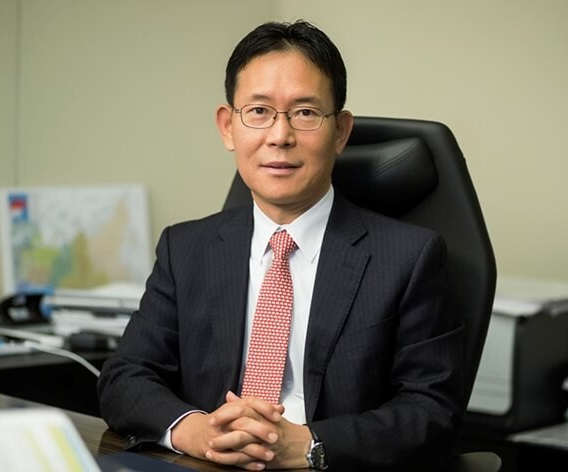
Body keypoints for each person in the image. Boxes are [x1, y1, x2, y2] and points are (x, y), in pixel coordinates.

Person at [97, 19, 464, 471]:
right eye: (258, 111)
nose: (280, 136)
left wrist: (308, 445)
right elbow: (125, 377)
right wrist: (198, 432)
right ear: (228, 127)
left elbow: (432, 412)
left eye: (305, 113)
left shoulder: (409, 258)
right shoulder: (185, 248)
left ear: (341, 131)